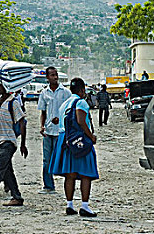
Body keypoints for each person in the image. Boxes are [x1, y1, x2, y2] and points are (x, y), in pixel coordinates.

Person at [49, 77, 99, 217]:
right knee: (86, 173)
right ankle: (84, 206)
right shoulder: (81, 102)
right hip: (79, 141)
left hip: (64, 141)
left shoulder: (64, 104)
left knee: (69, 175)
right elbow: (81, 121)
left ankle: (69, 204)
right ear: (82, 90)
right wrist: (91, 137)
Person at [37, 67, 71, 194]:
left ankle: (67, 185)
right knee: (46, 160)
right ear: (47, 77)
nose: (55, 77)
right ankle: (48, 185)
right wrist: (42, 126)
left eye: (56, 75)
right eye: (52, 75)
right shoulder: (44, 93)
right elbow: (43, 112)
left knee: (62, 158)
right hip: (48, 130)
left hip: (61, 131)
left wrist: (61, 118)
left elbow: (69, 111)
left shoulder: (65, 92)